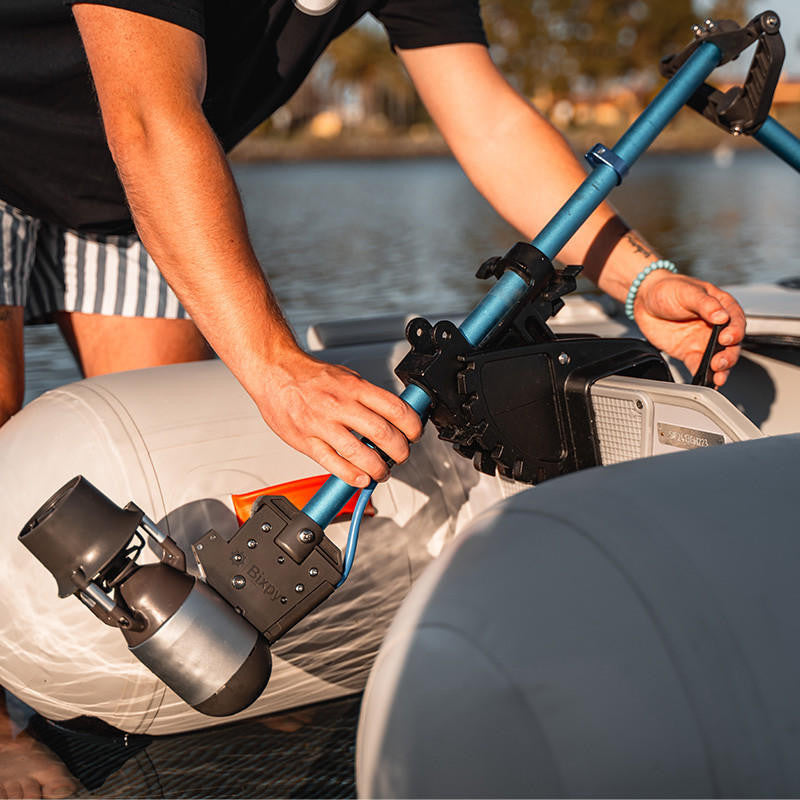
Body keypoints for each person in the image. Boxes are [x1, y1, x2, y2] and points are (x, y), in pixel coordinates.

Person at [0, 1, 745, 796]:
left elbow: (484, 114)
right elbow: (149, 117)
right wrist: (275, 366)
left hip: (122, 195)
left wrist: (640, 278)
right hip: (103, 129)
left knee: (145, 467)